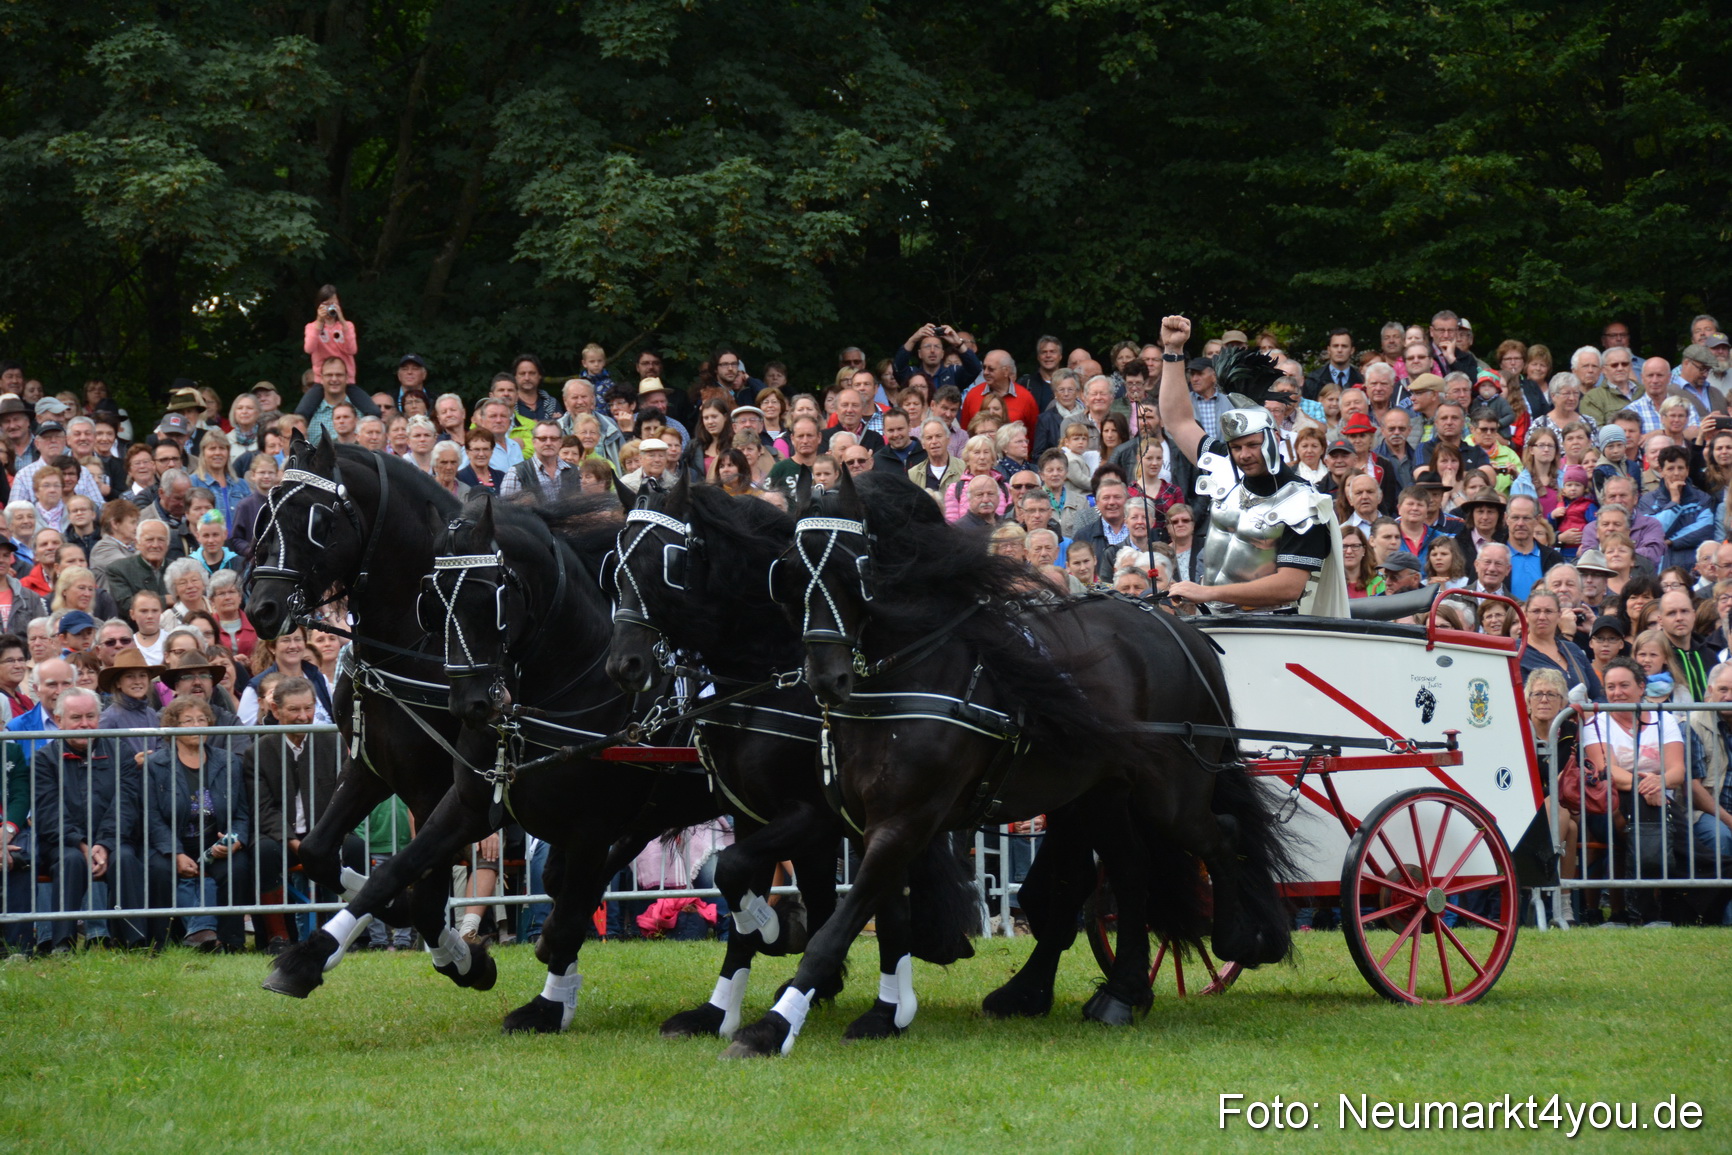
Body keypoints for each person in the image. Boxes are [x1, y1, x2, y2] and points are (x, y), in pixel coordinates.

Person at [1158, 317, 1344, 614]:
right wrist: (1172, 350)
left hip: (1269, 627)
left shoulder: (1302, 500)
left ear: (1273, 439)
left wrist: (1206, 592)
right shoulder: (1224, 465)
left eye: (1252, 445)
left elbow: (1289, 586)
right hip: (1211, 616)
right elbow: (1177, 420)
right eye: (1236, 447)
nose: (1243, 455)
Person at [249, 675, 364, 952]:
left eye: (308, 708)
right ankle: (279, 936)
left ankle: (354, 933)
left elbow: (342, 797)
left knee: (356, 847)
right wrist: (294, 843)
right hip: (280, 837)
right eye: (294, 710)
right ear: (275, 711)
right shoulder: (259, 751)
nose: (303, 716)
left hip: (324, 831)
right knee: (262, 853)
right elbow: (263, 808)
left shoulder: (331, 742)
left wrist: (323, 837)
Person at [31, 687, 146, 951]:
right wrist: (82, 844)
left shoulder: (121, 752)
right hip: (65, 843)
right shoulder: (44, 759)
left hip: (114, 840)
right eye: (76, 718)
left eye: (90, 716)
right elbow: (49, 813)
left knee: (126, 858)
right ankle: (63, 943)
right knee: (70, 860)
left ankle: (134, 940)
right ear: (59, 721)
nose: (85, 724)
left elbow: (126, 804)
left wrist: (104, 844)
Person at [1579, 656, 1685, 924]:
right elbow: (1607, 770)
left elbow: (1677, 771)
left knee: (1691, 843)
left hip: (1661, 800)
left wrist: (1660, 782)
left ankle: (1664, 911)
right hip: (1612, 801)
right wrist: (1649, 784)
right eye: (1611, 687)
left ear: (1641, 687)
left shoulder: (1665, 719)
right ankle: (1646, 913)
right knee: (1645, 820)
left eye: (1624, 685)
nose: (1616, 693)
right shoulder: (1596, 723)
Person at [145, 695, 252, 951]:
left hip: (216, 841)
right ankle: (159, 940)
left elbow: (241, 813)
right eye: (188, 721)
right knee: (159, 868)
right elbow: (152, 817)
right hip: (174, 842)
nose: (197, 725)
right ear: (173, 727)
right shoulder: (156, 765)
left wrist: (235, 840)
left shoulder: (229, 762)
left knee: (236, 867)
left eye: (202, 720)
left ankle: (229, 941)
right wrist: (175, 852)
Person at [1520, 588, 1602, 699]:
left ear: (1559, 615)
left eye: (1548, 611)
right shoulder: (1517, 652)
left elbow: (1599, 694)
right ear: (1525, 615)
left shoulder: (1572, 649)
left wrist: (1593, 711)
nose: (1542, 617)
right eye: (1536, 611)